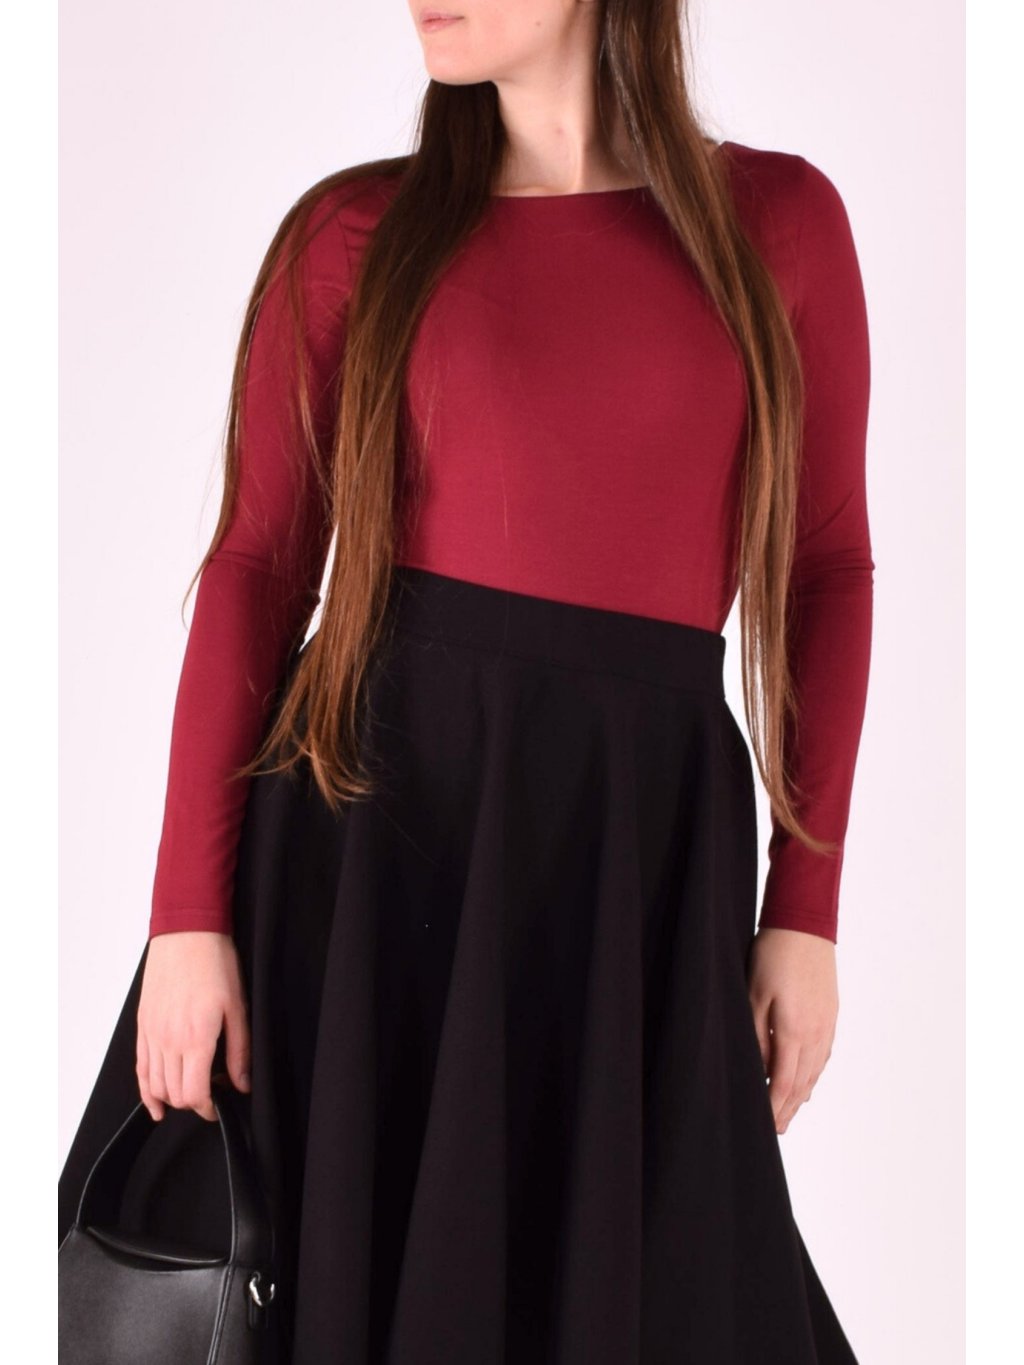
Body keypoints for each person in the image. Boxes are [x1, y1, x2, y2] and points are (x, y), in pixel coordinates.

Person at [59, 1, 874, 1360]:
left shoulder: (778, 226)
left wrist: (806, 908)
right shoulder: (354, 237)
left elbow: (828, 570)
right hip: (371, 867)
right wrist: (185, 919)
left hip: (633, 868)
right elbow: (258, 567)